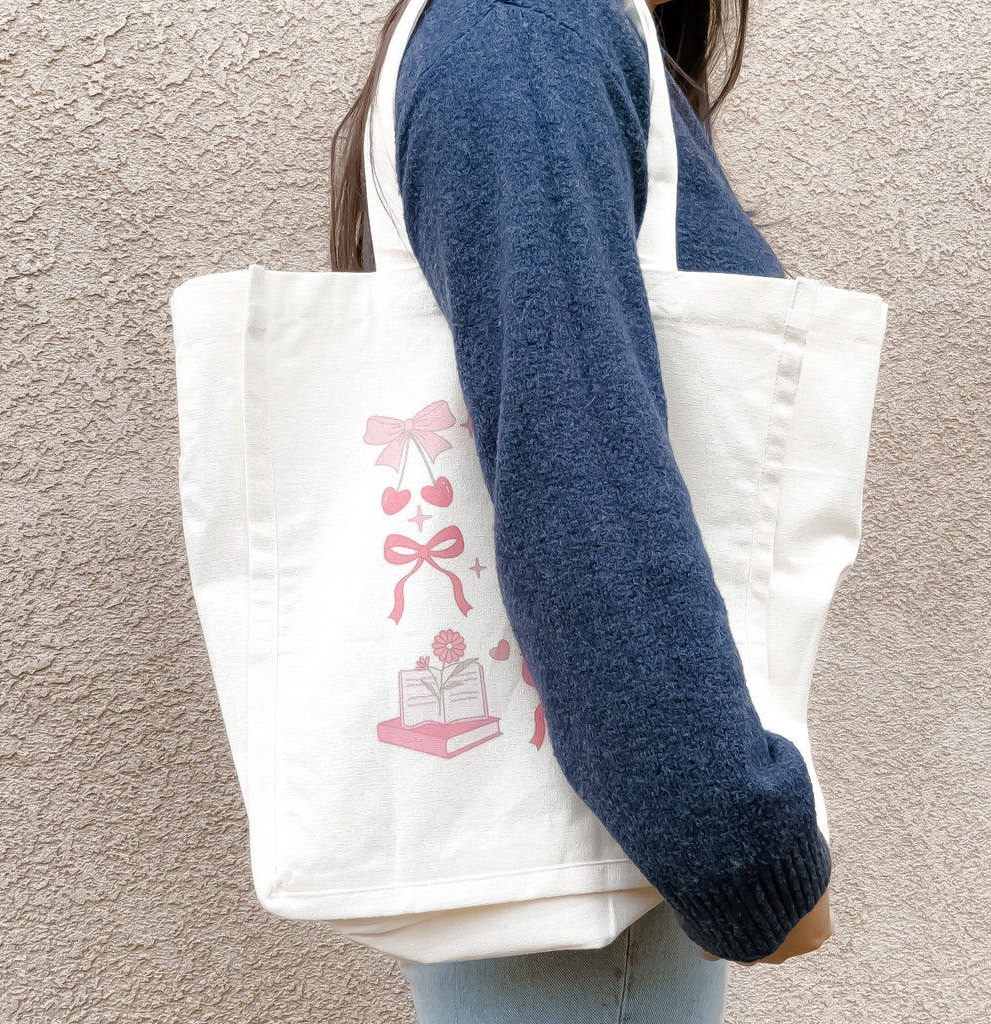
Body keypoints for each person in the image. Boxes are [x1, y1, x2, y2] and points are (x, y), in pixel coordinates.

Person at [330, 0, 834, 1018]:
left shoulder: (552, 35)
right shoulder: (527, 34)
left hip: (597, 883)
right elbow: (584, 496)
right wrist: (747, 856)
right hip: (602, 902)